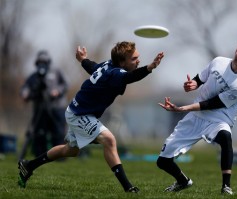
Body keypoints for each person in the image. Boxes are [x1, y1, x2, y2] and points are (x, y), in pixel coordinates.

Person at [18, 41, 164, 193]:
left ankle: (28, 166)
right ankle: (128, 188)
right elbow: (131, 77)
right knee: (109, 140)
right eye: (134, 58)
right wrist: (150, 67)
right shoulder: (116, 73)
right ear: (121, 62)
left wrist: (82, 60)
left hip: (76, 111)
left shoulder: (107, 65)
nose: (138, 60)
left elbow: (92, 67)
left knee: (70, 151)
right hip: (80, 114)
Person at [156, 38, 237, 195]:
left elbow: (212, 104)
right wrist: (192, 85)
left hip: (219, 118)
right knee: (162, 161)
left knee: (225, 137)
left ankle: (226, 186)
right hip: (196, 116)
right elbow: (200, 78)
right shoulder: (219, 62)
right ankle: (183, 181)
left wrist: (182, 108)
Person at [20, 50, 68, 159]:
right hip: (40, 109)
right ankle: (40, 155)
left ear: (48, 62)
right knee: (40, 133)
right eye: (40, 62)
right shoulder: (33, 76)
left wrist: (57, 91)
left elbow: (65, 84)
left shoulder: (56, 71)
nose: (42, 64)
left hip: (56, 108)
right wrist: (25, 93)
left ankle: (60, 156)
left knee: (58, 132)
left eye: (44, 61)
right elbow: (25, 88)